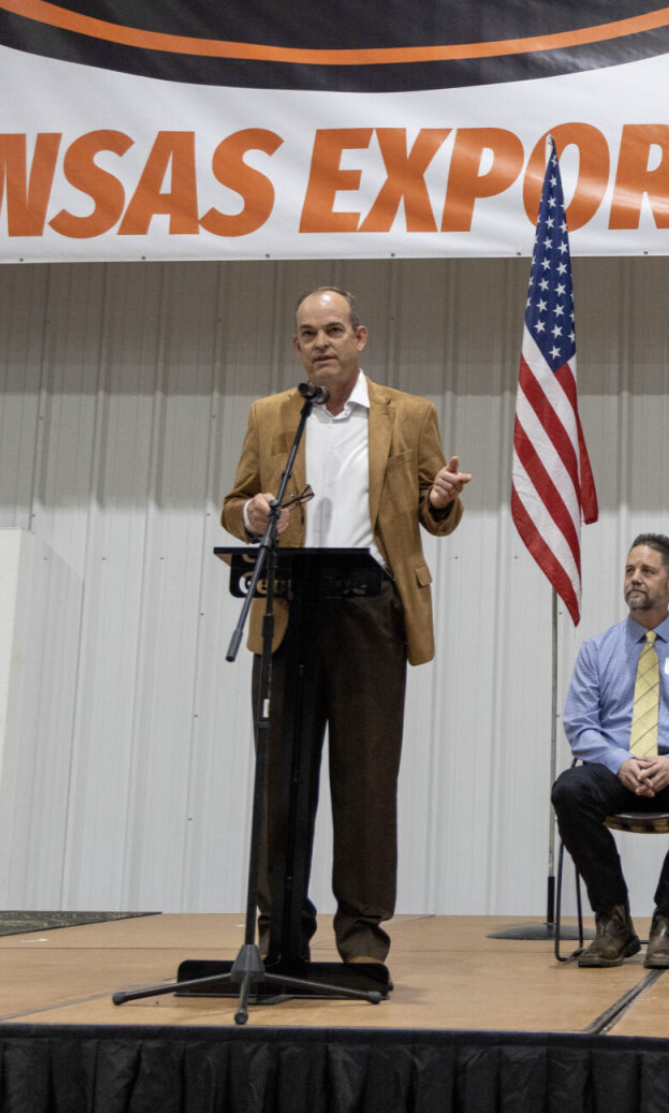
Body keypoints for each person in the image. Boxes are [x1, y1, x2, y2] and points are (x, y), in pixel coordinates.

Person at [221, 287, 469, 967]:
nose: (322, 342)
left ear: (360, 337)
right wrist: (250, 515)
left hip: (368, 611)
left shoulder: (409, 414)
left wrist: (441, 500)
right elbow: (235, 502)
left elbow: (432, 509)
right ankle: (280, 935)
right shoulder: (273, 416)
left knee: (364, 782)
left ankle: (361, 937)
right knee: (280, 778)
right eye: (308, 333)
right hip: (287, 609)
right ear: (295, 346)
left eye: (334, 329)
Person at [554, 535, 669, 969]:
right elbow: (579, 725)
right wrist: (621, 762)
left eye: (647, 571)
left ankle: (667, 925)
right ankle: (613, 923)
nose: (635, 578)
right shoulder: (597, 650)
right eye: (630, 570)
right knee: (569, 790)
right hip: (615, 767)